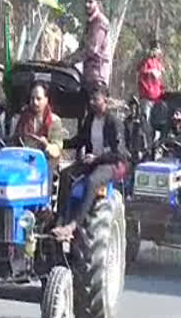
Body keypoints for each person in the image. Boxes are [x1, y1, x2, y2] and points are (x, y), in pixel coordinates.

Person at [55, 84, 128, 240]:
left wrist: (97, 159)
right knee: (66, 175)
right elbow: (80, 140)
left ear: (105, 101)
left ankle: (73, 225)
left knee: (93, 180)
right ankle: (60, 219)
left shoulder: (113, 122)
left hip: (111, 163)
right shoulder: (90, 119)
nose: (92, 103)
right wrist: (59, 143)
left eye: (96, 99)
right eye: (91, 100)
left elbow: (119, 153)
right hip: (92, 161)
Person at [64, 0, 111, 92]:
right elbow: (81, 48)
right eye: (85, 1)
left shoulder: (100, 22)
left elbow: (91, 49)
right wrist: (67, 59)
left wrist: (71, 61)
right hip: (88, 75)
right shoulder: (89, 23)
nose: (87, 5)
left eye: (90, 1)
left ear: (98, 3)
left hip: (97, 77)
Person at [13, 82, 65, 169]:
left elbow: (57, 150)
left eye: (38, 99)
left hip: (46, 164)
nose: (35, 102)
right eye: (32, 98)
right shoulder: (23, 118)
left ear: (46, 100)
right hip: (24, 163)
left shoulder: (55, 121)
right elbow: (15, 142)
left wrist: (46, 144)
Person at [137, 40, 164, 124]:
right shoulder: (145, 61)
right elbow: (140, 71)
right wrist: (150, 71)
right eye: (155, 50)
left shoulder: (158, 63)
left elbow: (160, 78)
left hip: (157, 97)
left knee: (156, 121)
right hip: (147, 96)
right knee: (146, 120)